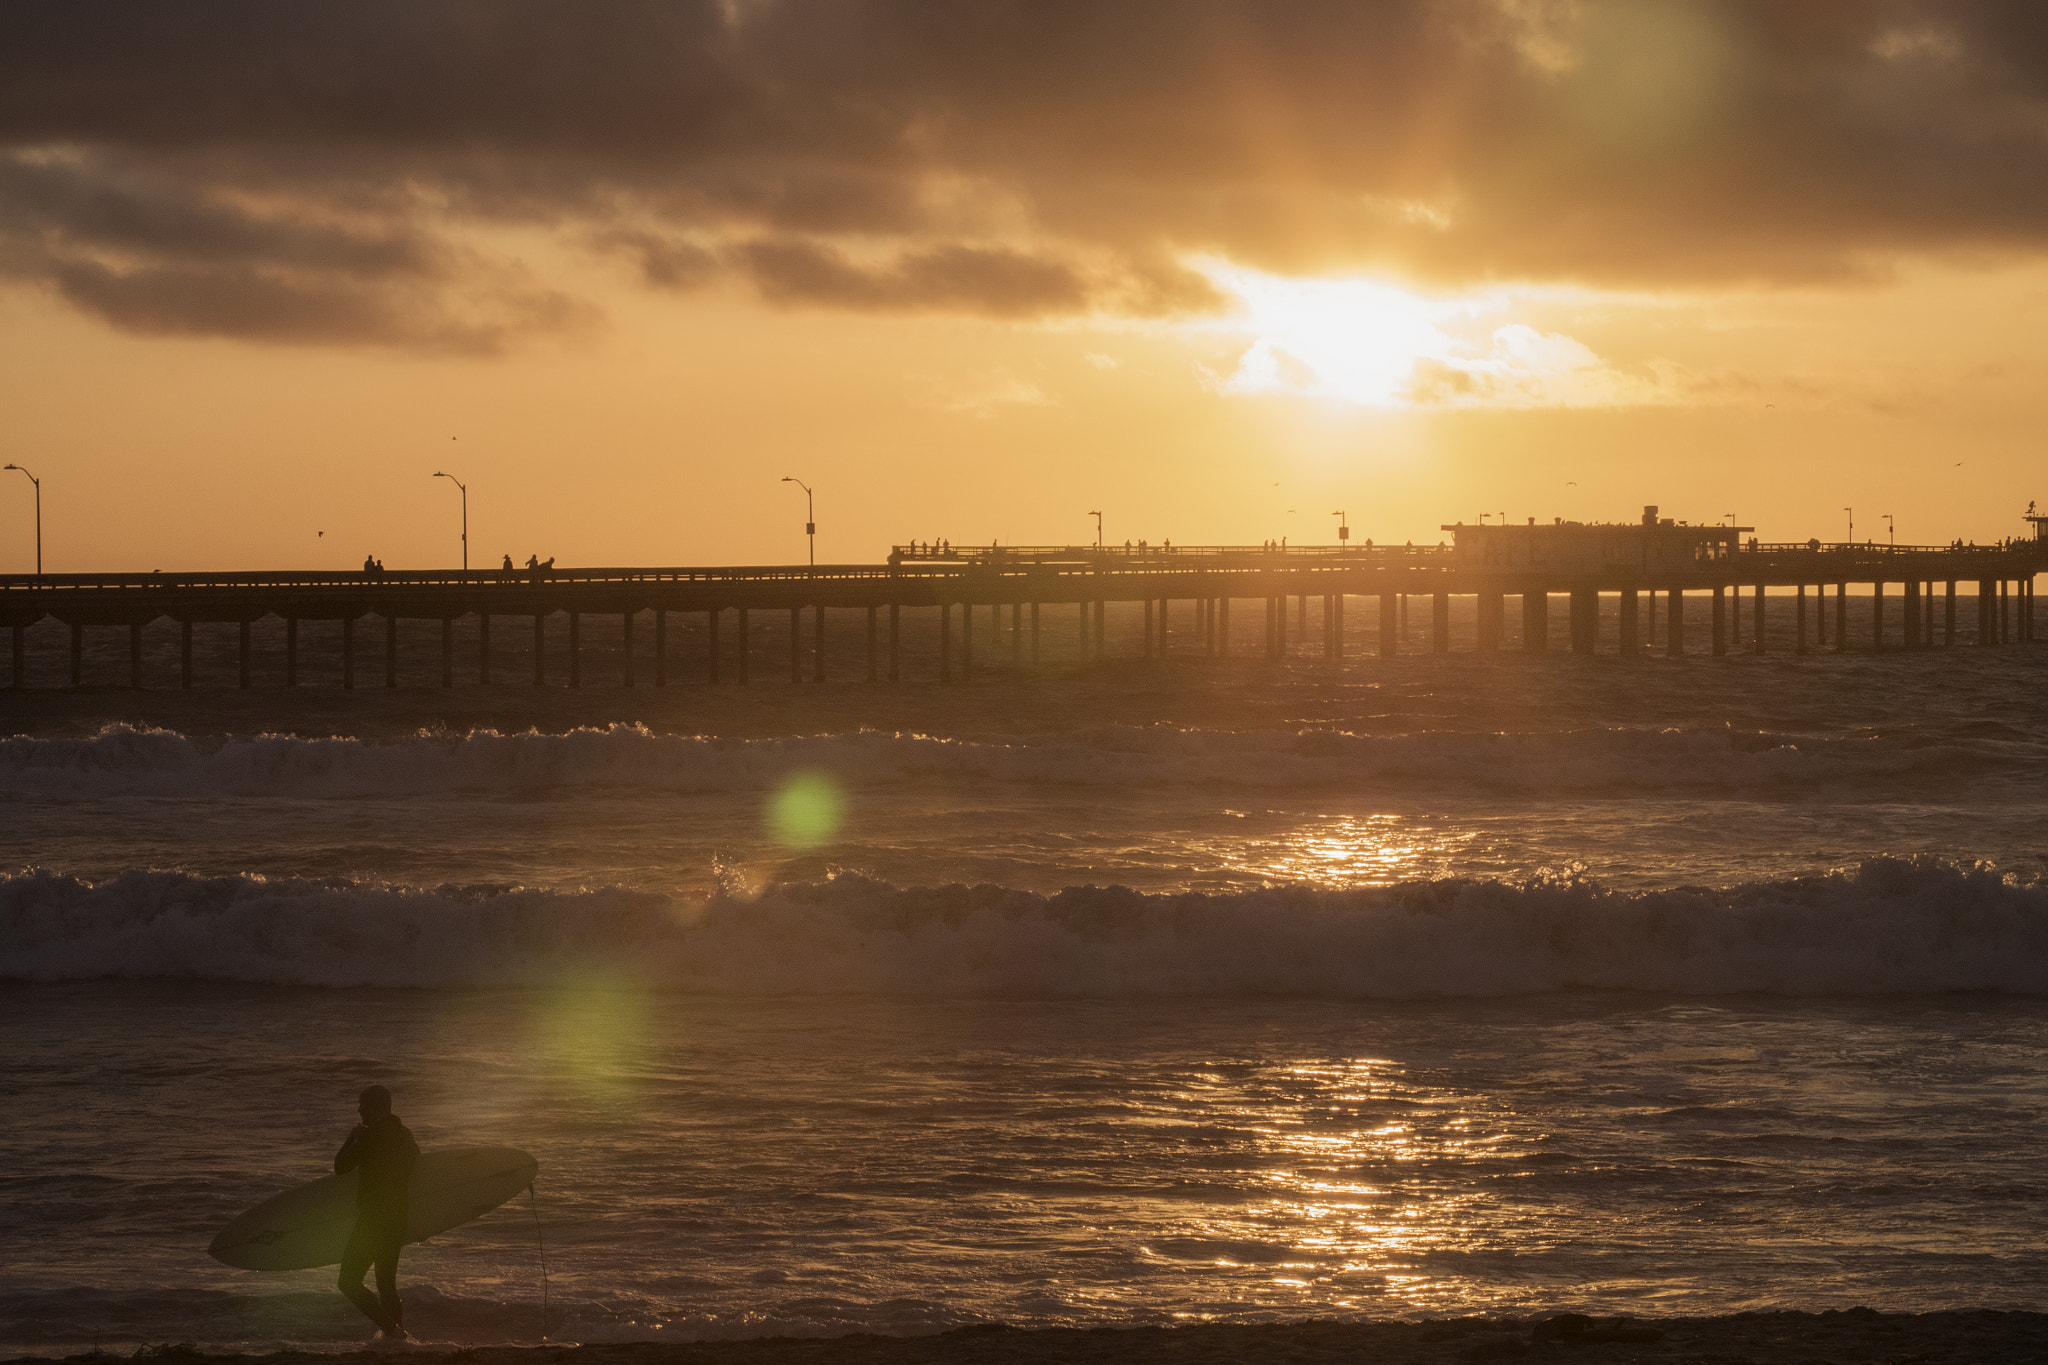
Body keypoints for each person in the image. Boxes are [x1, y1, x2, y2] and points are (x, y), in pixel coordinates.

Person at [334, 1084, 420, 1341]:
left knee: (347, 1281)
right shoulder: (405, 1135)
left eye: (363, 1104)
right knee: (385, 1283)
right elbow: (415, 1167)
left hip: (373, 1220)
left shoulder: (368, 1138)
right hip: (397, 1217)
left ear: (376, 1107)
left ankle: (393, 1331)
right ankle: (397, 1337)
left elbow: (340, 1166)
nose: (359, 1109)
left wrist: (353, 1137)